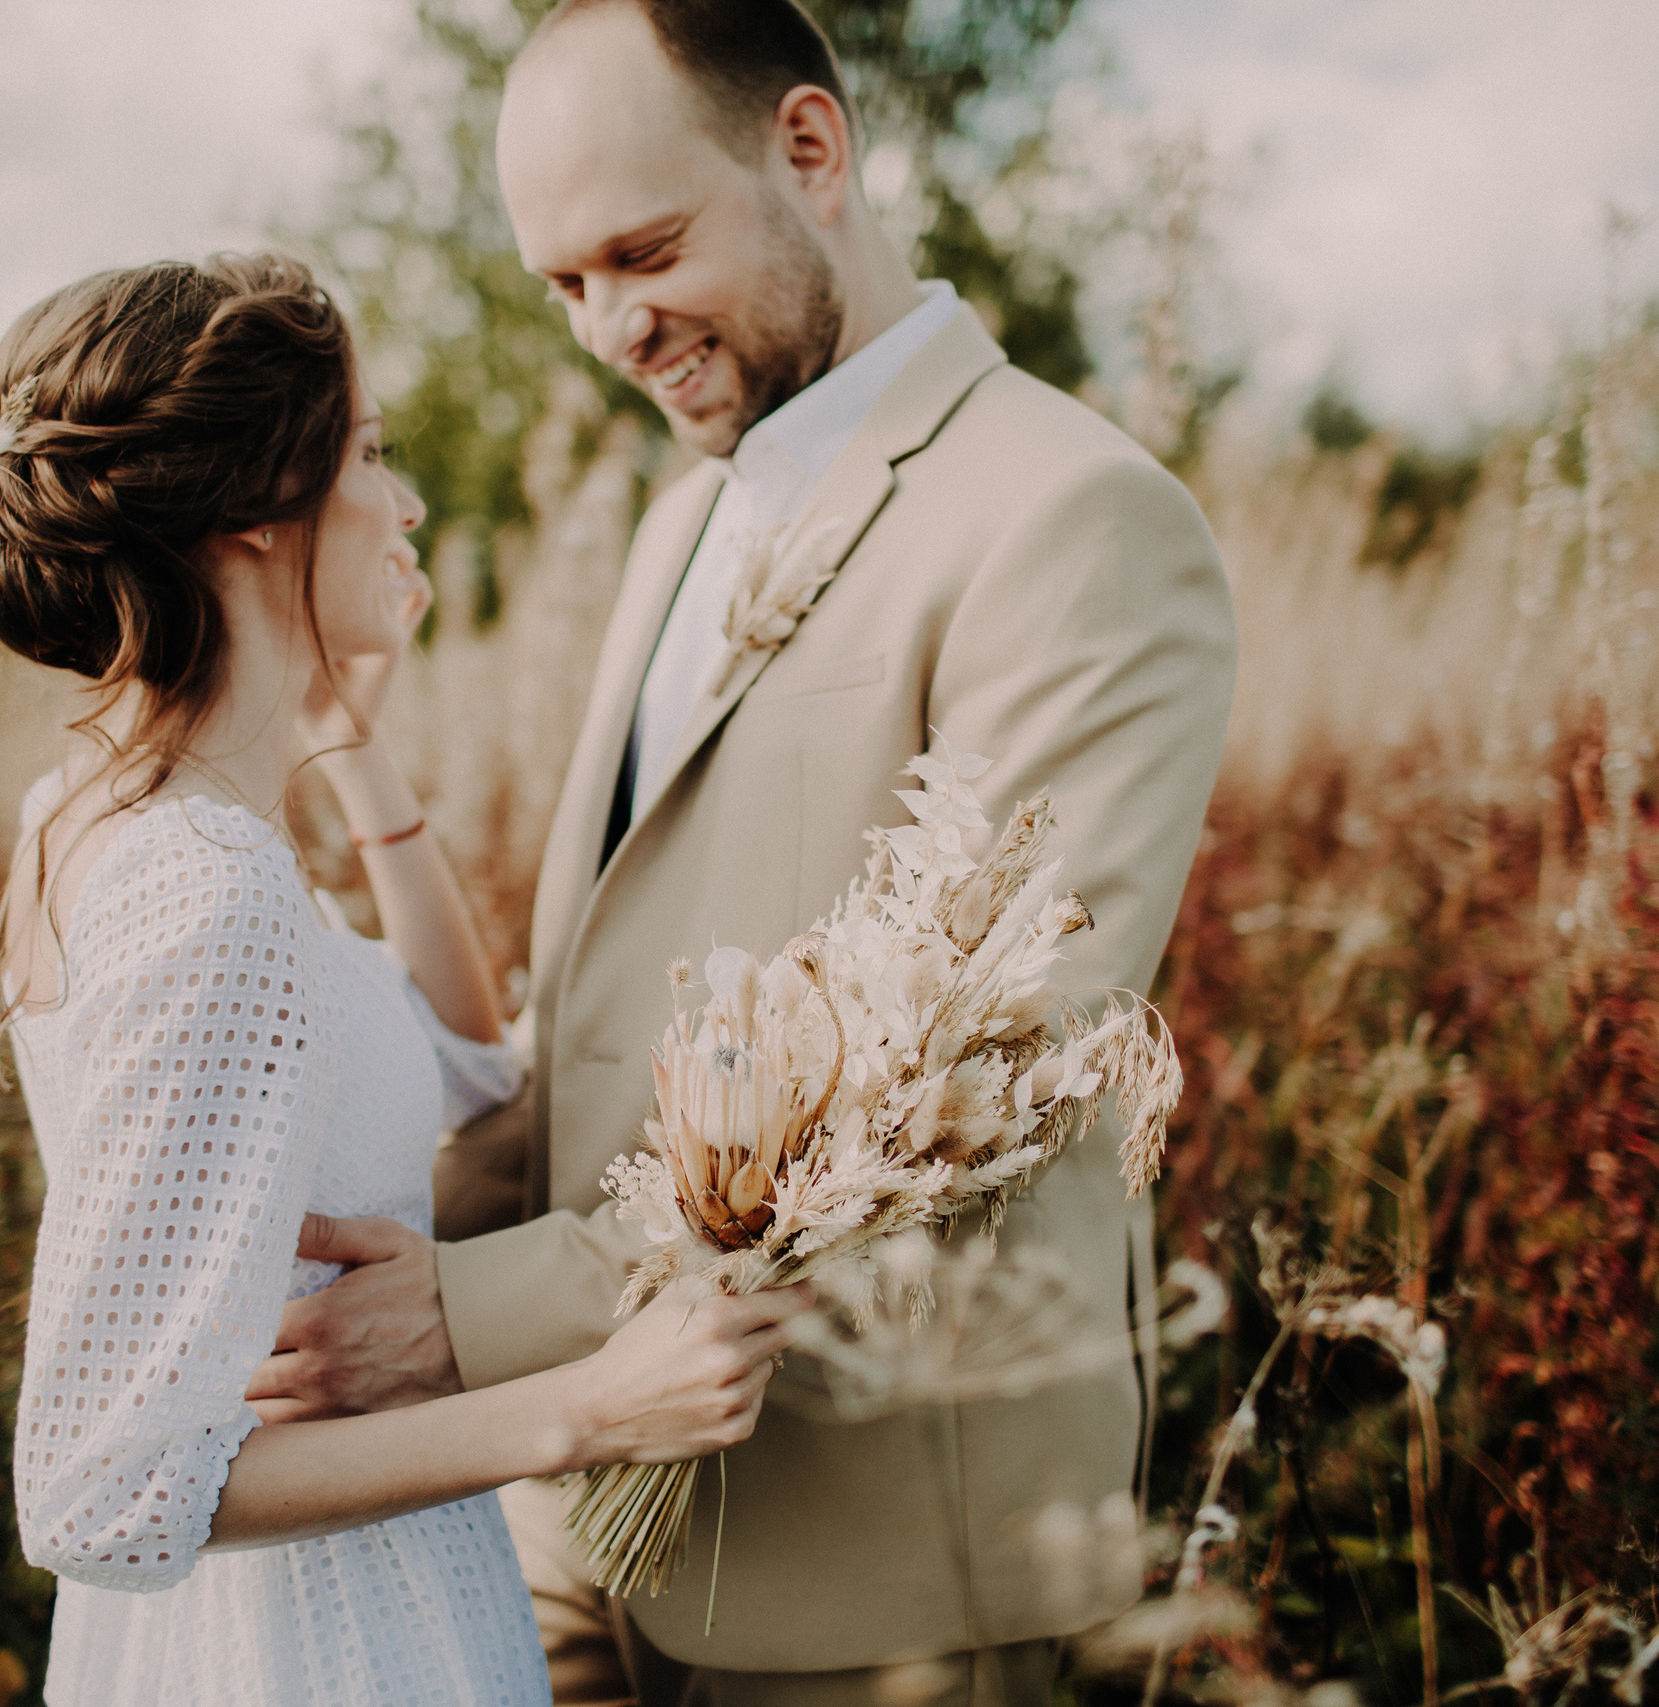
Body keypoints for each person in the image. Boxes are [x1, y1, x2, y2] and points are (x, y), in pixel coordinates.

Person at [253, 3, 1240, 1704]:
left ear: (811, 149)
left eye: (644, 252)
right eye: (564, 285)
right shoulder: (680, 523)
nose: (612, 330)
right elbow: (603, 1006)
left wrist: (473, 1315)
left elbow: (962, 1075)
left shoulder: (1073, 516)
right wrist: (348, 1260)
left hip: (873, 1562)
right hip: (567, 1504)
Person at [0, 253, 808, 1707]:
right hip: (313, 1643)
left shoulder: (102, 816)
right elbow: (102, 1491)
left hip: (328, 1607)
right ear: (249, 510)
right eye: (369, 452)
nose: (405, 503)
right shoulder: (198, 887)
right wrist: (589, 1410)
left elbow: (468, 1061)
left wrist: (354, 752)